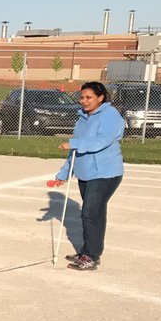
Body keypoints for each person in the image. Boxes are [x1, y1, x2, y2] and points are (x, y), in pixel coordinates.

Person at [48, 82, 124, 271]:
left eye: (88, 97)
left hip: (106, 173)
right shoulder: (82, 118)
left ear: (101, 98)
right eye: (82, 97)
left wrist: (73, 143)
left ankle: (91, 256)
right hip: (86, 173)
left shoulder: (110, 116)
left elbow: (101, 141)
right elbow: (75, 151)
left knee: (90, 212)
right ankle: (87, 250)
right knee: (94, 213)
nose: (84, 101)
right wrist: (63, 174)